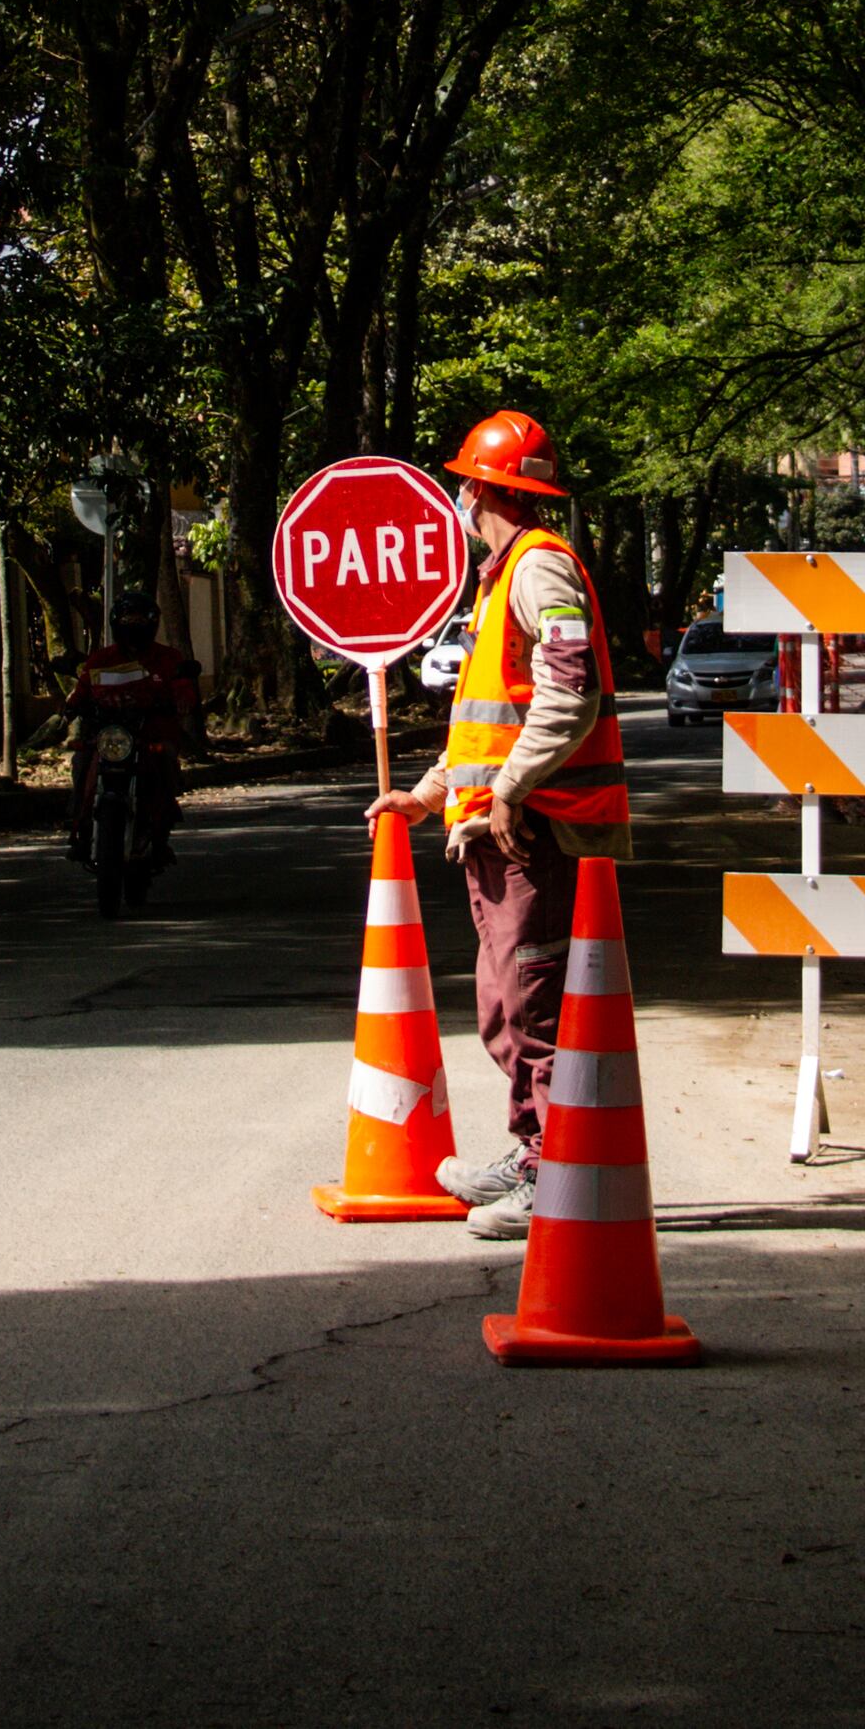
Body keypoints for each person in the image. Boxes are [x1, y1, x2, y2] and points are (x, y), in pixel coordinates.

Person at [366, 408, 629, 1243]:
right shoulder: (505, 573)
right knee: (504, 1003)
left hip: (536, 830)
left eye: (463, 481)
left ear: (481, 487)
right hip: (499, 824)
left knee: (535, 1004)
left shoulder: (537, 569)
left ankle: (554, 1168)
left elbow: (570, 690)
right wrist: (431, 793)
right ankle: (532, 1152)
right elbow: (491, 721)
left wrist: (512, 791)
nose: (457, 494)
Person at [61, 593, 203, 867]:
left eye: (139, 619)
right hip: (110, 736)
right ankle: (79, 825)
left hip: (152, 733)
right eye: (128, 620)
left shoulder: (168, 658)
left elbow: (183, 687)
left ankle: (160, 830)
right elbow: (82, 691)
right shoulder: (101, 659)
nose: (134, 625)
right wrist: (70, 707)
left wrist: (183, 699)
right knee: (81, 761)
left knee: (164, 758)